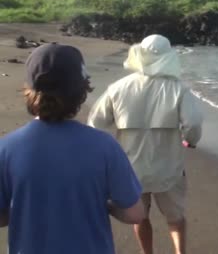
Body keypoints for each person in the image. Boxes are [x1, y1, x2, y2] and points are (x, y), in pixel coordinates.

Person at [0, 43, 145, 254]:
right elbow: (135, 214)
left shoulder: (6, 148)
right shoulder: (104, 146)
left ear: (30, 90)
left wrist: (26, 206)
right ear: (81, 92)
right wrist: (105, 205)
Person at [88, 34, 203, 254]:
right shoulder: (178, 89)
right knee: (175, 218)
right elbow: (194, 123)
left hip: (131, 169)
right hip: (168, 168)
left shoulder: (119, 87)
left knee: (139, 217)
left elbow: (96, 122)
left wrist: (105, 155)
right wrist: (191, 139)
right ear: (169, 57)